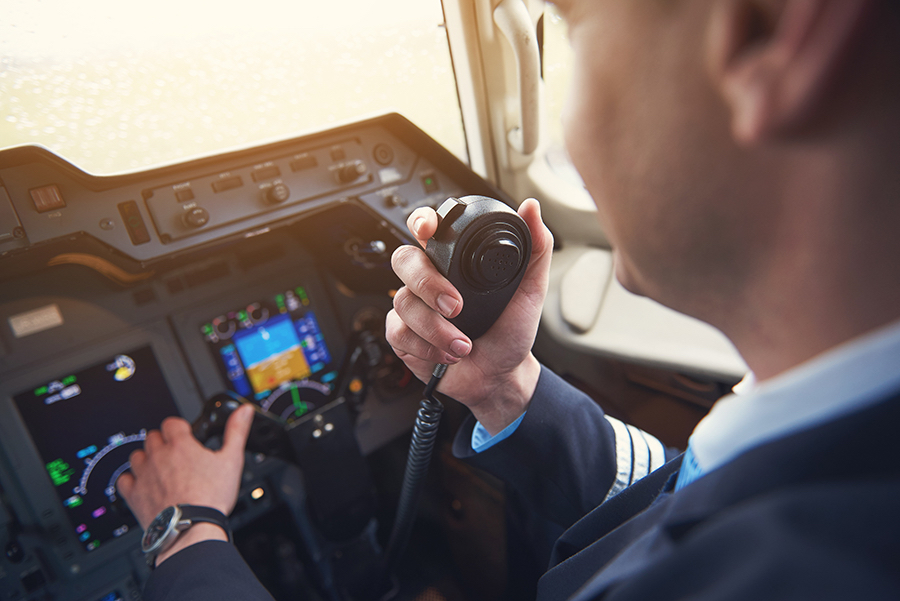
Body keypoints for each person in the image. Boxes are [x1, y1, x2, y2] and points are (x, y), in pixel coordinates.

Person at [118, 0, 900, 598]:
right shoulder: (824, 440)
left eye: (575, 32)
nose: (569, 127)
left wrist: (185, 534)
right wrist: (506, 386)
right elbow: (678, 490)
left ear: (775, 33)